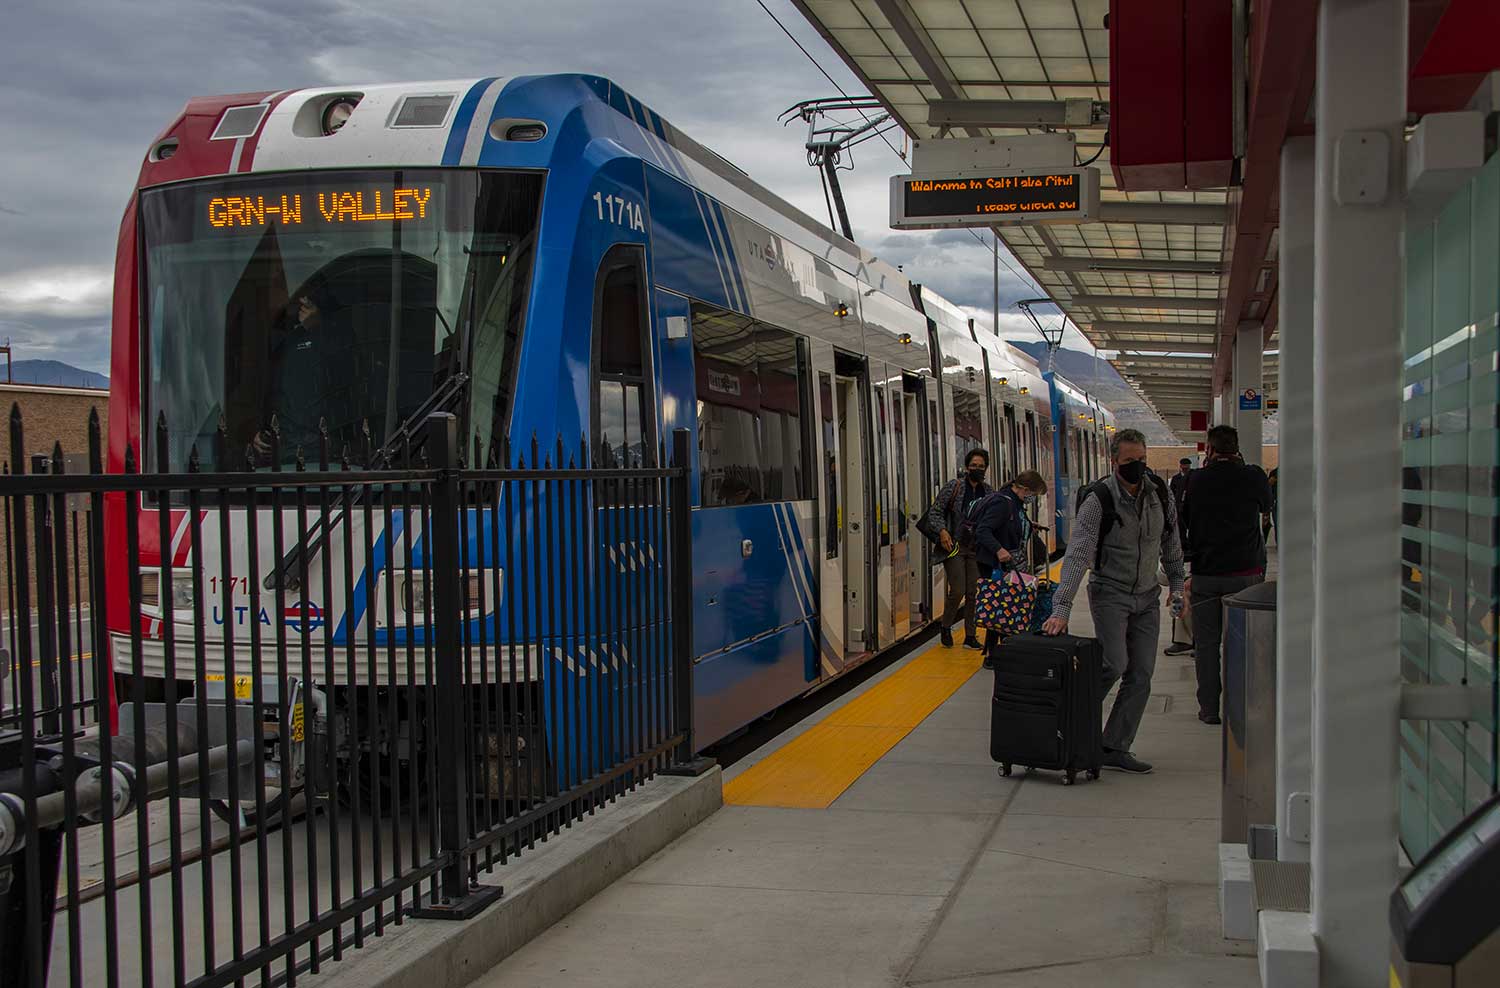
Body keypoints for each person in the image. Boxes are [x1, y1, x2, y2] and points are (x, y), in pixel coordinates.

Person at [1041, 428, 1185, 775]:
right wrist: (1061, 608)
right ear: (1114, 461)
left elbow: (1170, 543)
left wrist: (1178, 586)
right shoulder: (1099, 499)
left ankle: (1114, 746)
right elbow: (1076, 556)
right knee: (1114, 664)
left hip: (1148, 596)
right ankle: (1070, 724)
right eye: (1130, 461)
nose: (1138, 467)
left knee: (1142, 674)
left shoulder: (1160, 495)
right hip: (1111, 594)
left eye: (1142, 460)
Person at [1180, 425, 1272, 725]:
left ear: (1209, 449)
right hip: (1245, 575)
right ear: (1237, 449)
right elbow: (1266, 505)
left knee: (1206, 647)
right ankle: (1243, 706)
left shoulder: (1194, 480)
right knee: (1244, 645)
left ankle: (1209, 708)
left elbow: (1185, 522)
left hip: (1206, 574)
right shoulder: (1253, 476)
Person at [971, 469, 1050, 668]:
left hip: (1005, 561)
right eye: (1033, 494)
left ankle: (997, 651)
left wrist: (1028, 525)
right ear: (1024, 489)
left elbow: (1008, 524)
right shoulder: (1003, 503)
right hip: (997, 563)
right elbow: (983, 530)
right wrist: (998, 550)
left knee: (1003, 605)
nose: (1033, 499)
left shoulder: (1013, 501)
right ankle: (992, 654)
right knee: (1001, 606)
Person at [919, 448, 992, 649]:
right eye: (973, 465)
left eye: (981, 466)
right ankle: (946, 625)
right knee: (958, 589)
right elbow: (935, 512)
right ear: (967, 466)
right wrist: (942, 532)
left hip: (976, 549)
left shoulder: (988, 492)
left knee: (973, 592)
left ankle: (970, 635)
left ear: (986, 468)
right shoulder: (955, 487)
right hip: (954, 547)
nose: (977, 469)